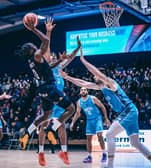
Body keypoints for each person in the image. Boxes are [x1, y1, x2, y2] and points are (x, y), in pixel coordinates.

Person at [60, 46, 151, 168]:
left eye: (95, 76)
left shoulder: (110, 83)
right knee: (135, 142)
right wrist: (67, 77)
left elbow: (96, 72)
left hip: (129, 111)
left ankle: (110, 165)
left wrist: (82, 60)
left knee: (109, 135)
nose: (93, 77)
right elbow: (82, 83)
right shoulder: (101, 87)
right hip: (129, 112)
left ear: (101, 76)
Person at [18, 19, 75, 157]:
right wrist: (34, 29)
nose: (33, 44)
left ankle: (27, 132)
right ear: (31, 49)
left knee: (46, 114)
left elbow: (49, 68)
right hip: (49, 87)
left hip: (42, 90)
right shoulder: (37, 55)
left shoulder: (32, 61)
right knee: (71, 109)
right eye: (31, 45)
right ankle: (52, 128)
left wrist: (60, 60)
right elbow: (46, 42)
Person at [37, 18, 81, 166]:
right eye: (52, 57)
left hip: (59, 100)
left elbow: (70, 58)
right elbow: (46, 47)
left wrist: (77, 48)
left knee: (61, 126)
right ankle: (41, 152)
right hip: (49, 97)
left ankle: (64, 152)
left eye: (56, 57)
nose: (54, 58)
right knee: (43, 125)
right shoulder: (45, 69)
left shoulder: (59, 68)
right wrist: (48, 31)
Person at [70, 87, 110, 163]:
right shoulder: (79, 102)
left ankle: (104, 154)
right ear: (80, 92)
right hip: (89, 120)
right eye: (81, 90)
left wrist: (106, 118)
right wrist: (72, 123)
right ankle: (89, 156)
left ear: (87, 91)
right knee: (88, 138)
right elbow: (77, 113)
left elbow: (102, 107)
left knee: (99, 135)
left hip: (97, 118)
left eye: (85, 90)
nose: (83, 91)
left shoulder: (93, 98)